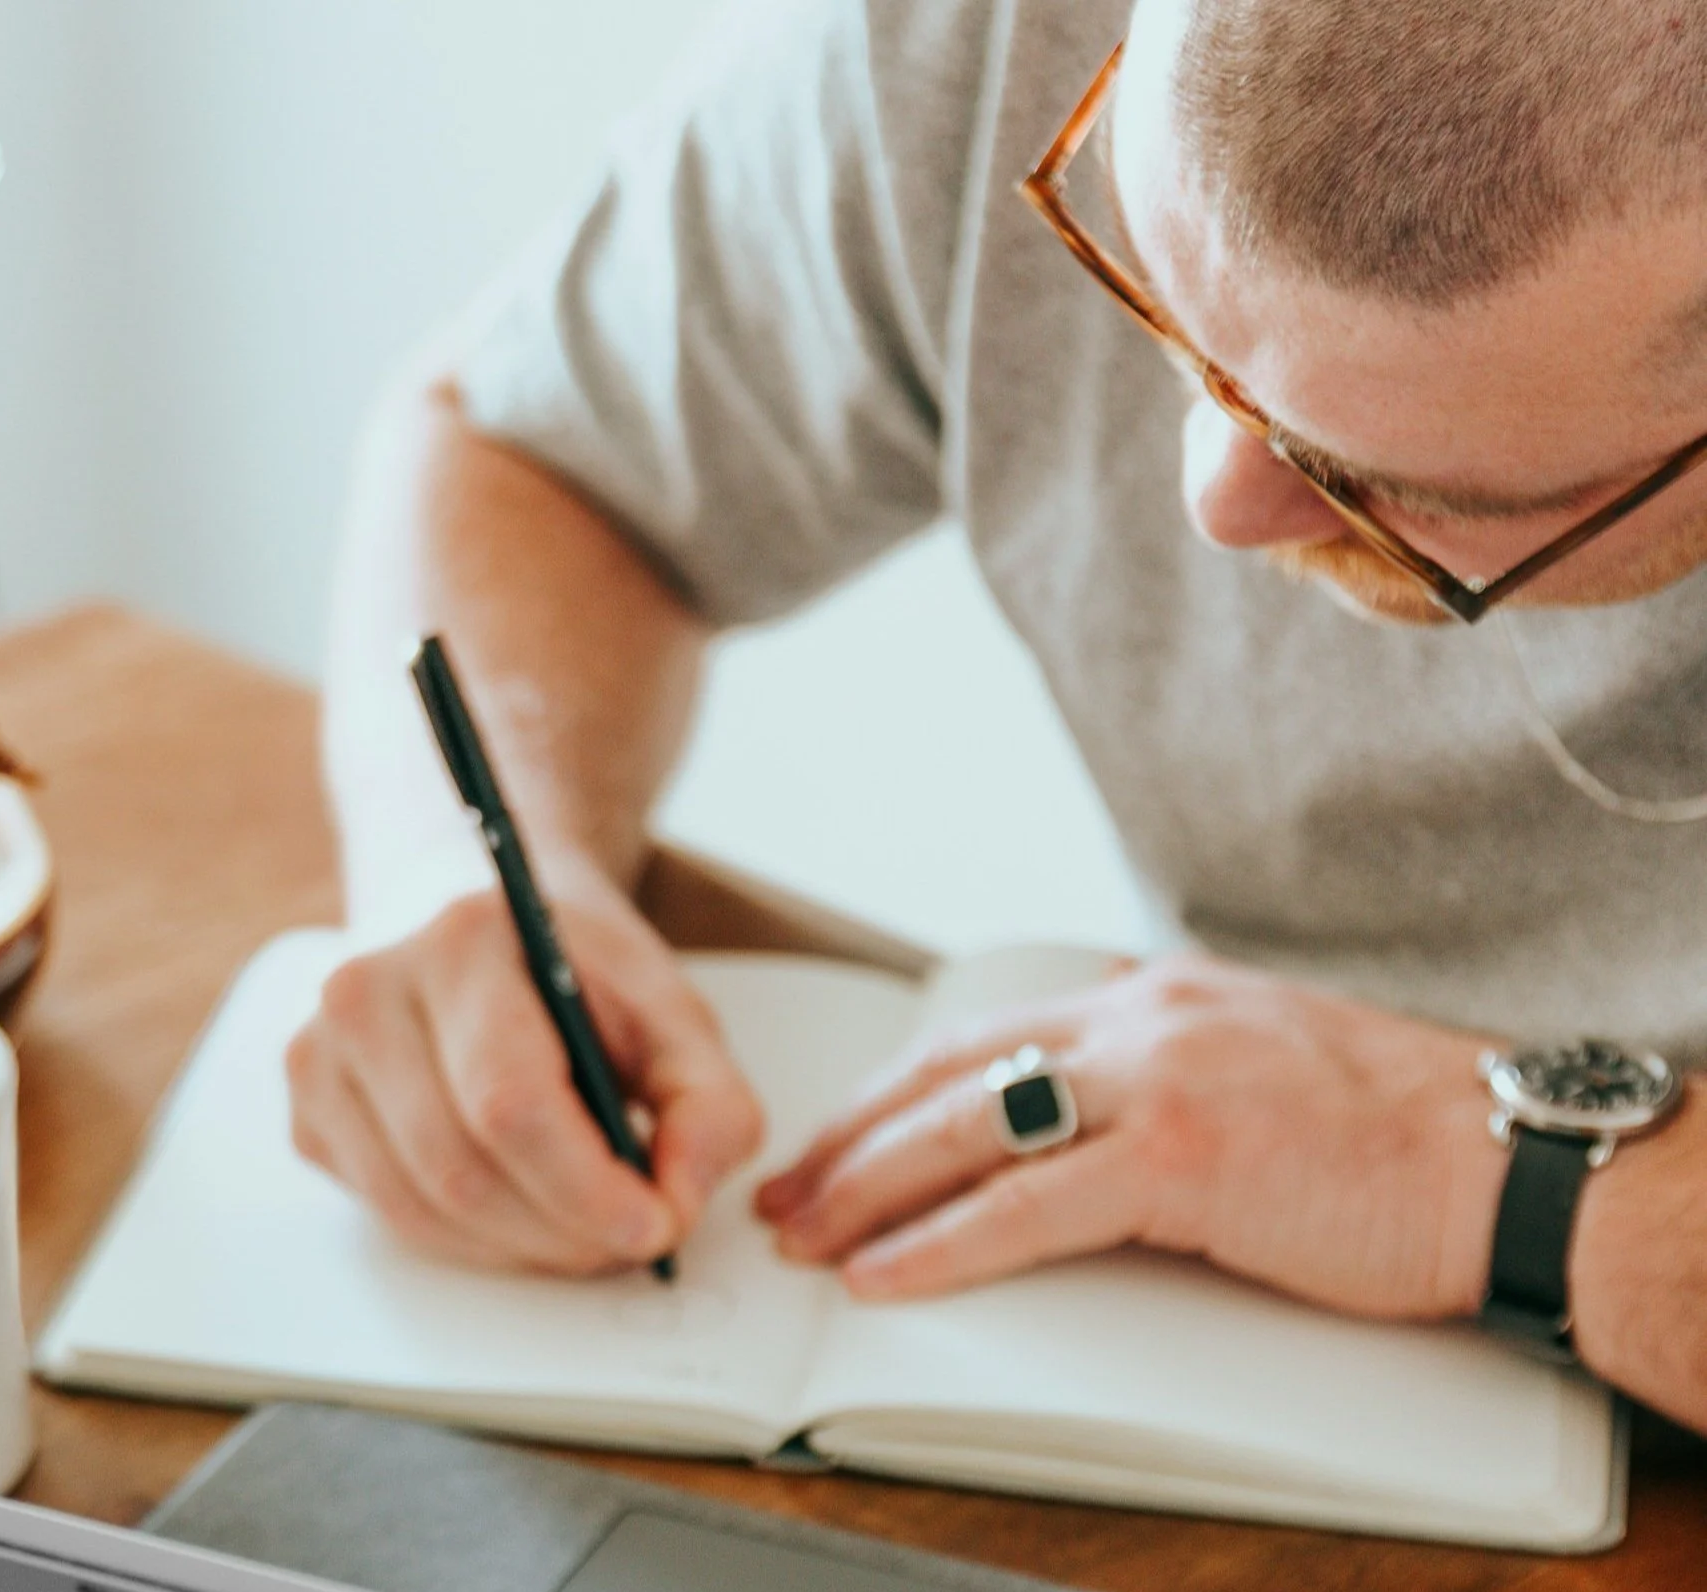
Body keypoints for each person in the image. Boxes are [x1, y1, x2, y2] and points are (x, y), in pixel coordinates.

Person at [286, 0, 1707, 1432]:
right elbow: (528, 450)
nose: (1213, 498)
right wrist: (462, 871)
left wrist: (1474, 1174)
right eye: (1146, 281)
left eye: (1411, 495)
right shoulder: (985, 37)